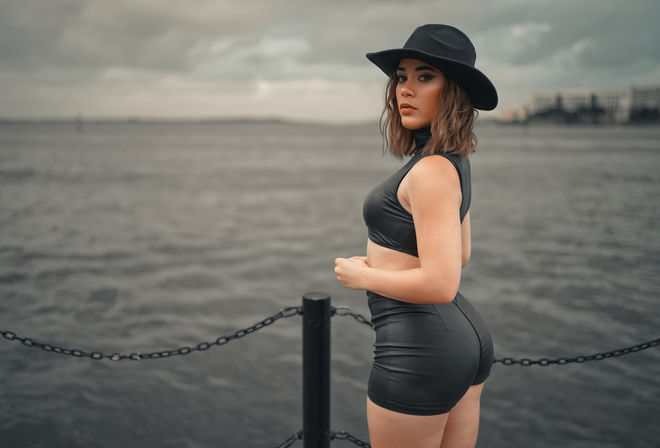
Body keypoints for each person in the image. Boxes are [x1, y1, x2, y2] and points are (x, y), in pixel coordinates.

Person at [334, 24, 497, 448]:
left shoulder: (429, 171)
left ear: (454, 90)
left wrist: (363, 276)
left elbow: (442, 283)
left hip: (419, 351)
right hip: (461, 340)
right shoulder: (450, 161)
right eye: (401, 76)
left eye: (425, 76)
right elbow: (459, 253)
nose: (405, 89)